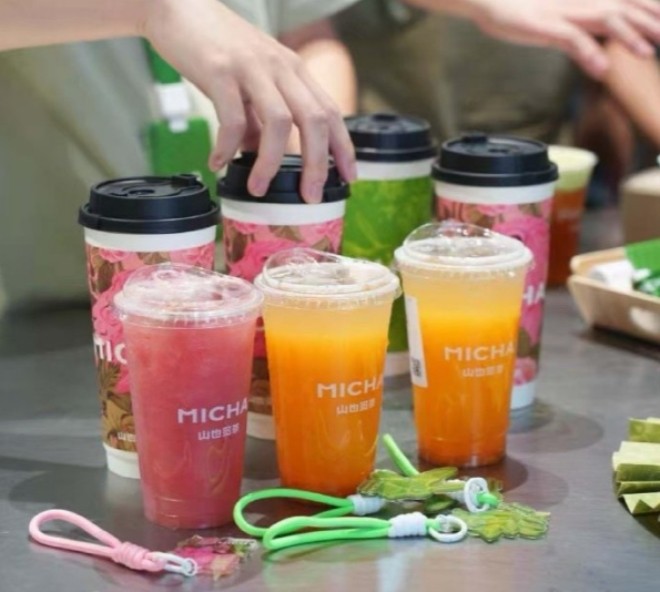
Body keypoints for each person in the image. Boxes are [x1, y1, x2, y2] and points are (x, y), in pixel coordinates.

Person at [2, 0, 660, 312]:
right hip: (58, 313)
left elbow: (306, 33)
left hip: (242, 296)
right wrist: (157, 10)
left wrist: (306, 188)